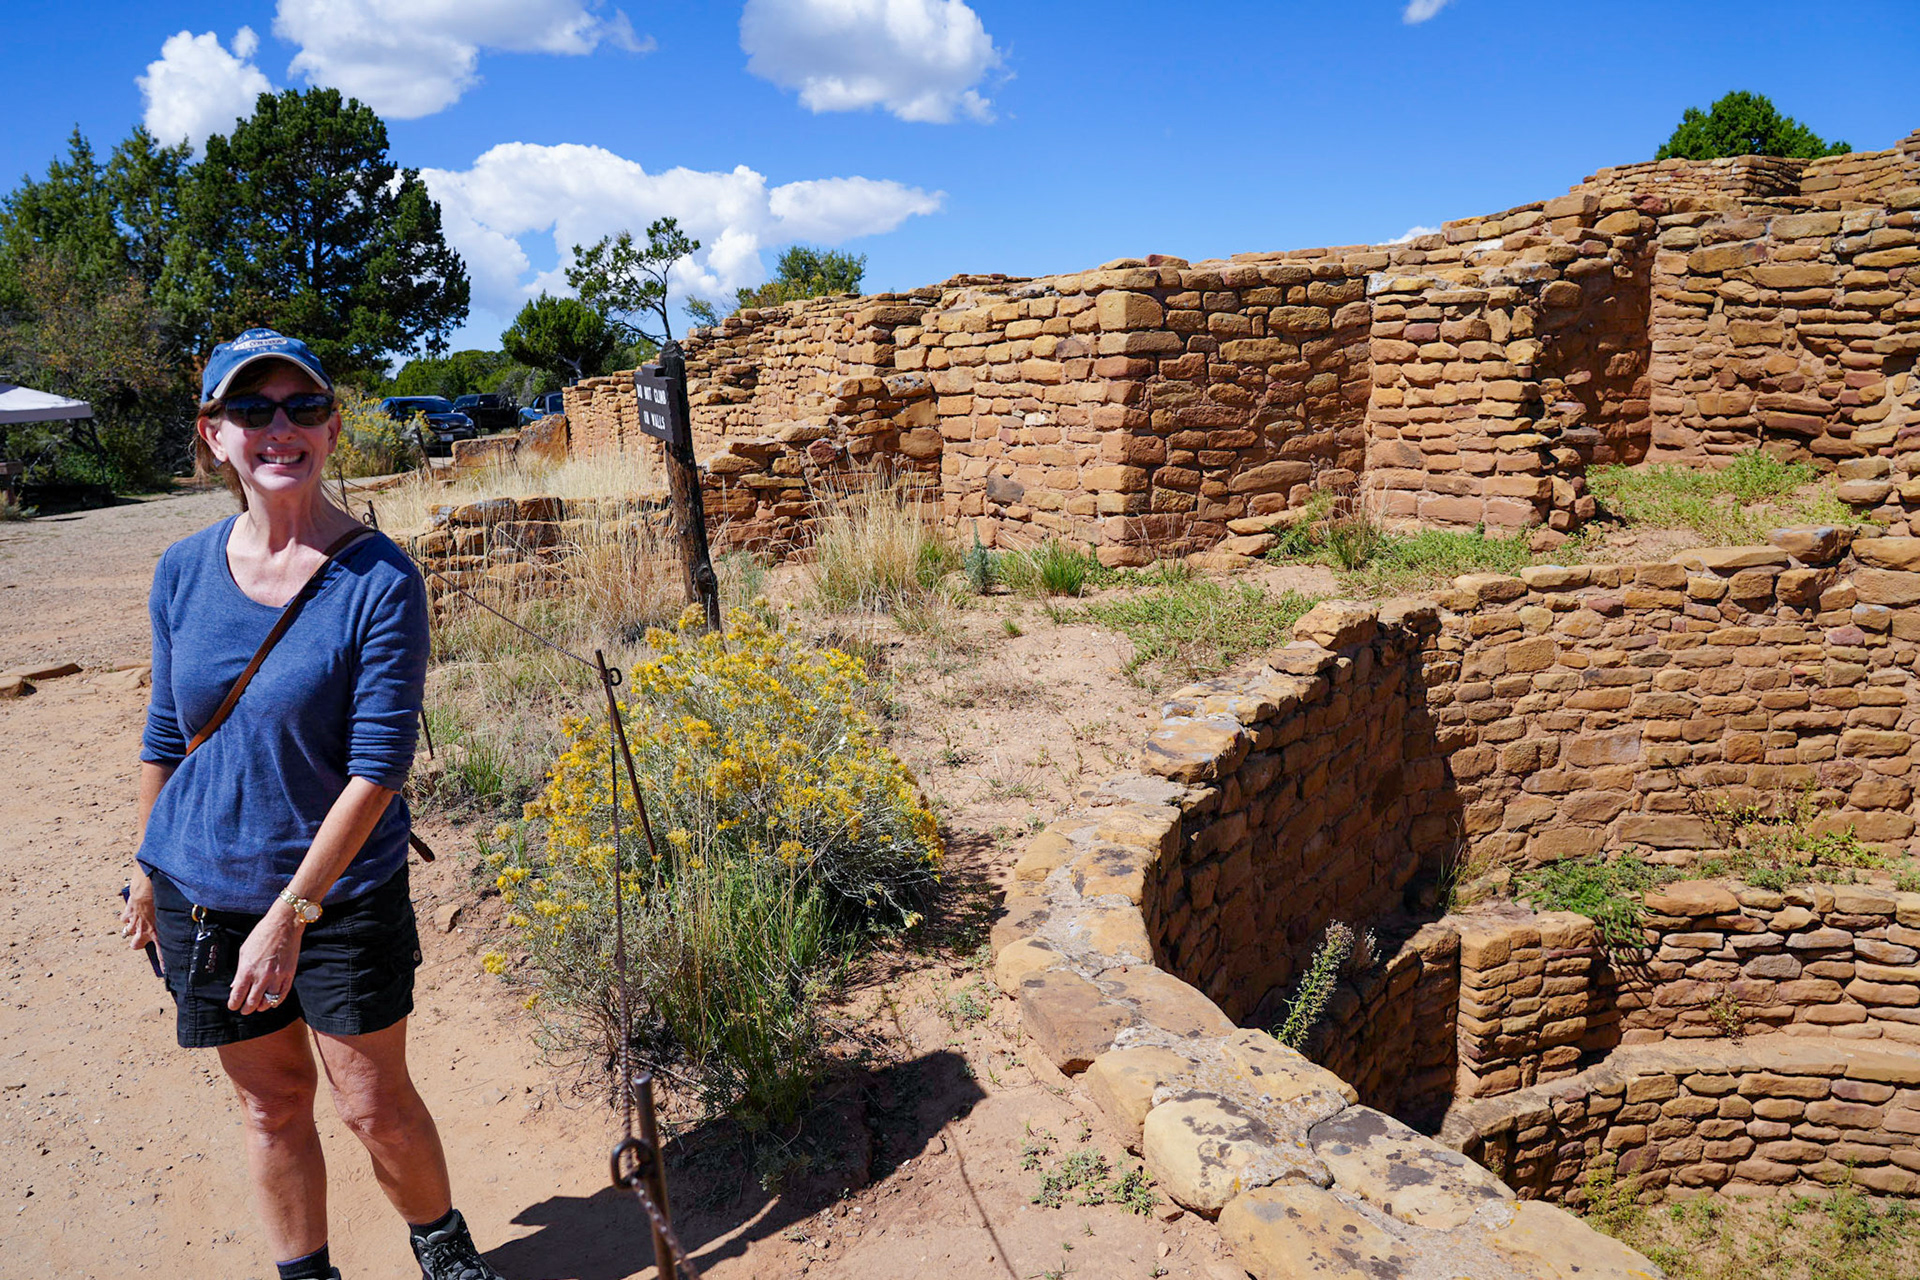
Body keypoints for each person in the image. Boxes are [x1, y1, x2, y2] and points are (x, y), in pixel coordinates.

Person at [118, 329, 506, 1280]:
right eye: (251, 409)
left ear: (334, 428)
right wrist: (144, 864)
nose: (277, 428)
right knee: (271, 1104)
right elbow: (168, 733)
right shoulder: (181, 570)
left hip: (337, 897)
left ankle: (442, 1250)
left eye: (300, 407)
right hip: (202, 886)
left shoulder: (380, 580)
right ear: (215, 435)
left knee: (373, 1104)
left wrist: (293, 912)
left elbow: (378, 769)